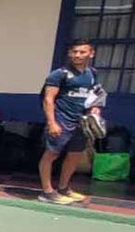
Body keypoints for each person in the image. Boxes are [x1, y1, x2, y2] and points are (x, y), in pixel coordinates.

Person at [39, 39, 100, 205]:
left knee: (75, 155)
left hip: (81, 122)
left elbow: (95, 95)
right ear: (69, 53)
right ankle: (47, 191)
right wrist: (52, 122)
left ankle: (64, 188)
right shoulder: (59, 74)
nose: (78, 55)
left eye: (82, 52)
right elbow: (48, 99)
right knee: (51, 154)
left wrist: (95, 109)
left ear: (91, 53)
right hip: (61, 120)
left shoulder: (92, 73)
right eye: (75, 52)